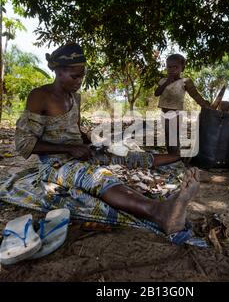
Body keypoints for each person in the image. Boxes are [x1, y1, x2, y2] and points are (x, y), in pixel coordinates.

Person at [14, 43, 200, 234]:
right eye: (75, 76)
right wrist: (69, 148)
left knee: (127, 157)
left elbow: (75, 132)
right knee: (98, 177)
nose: (79, 81)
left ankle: (178, 157)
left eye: (82, 76)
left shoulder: (74, 98)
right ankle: (159, 212)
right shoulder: (40, 96)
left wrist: (93, 142)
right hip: (55, 164)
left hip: (80, 153)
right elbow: (24, 144)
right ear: (58, 71)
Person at [154, 54, 210, 155]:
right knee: (168, 136)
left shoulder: (185, 82)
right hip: (163, 113)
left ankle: (175, 156)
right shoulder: (163, 81)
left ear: (182, 68)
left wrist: (204, 104)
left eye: (175, 67)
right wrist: (167, 82)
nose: (172, 70)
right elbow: (156, 93)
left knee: (174, 137)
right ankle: (172, 156)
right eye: (169, 67)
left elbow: (195, 95)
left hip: (176, 114)